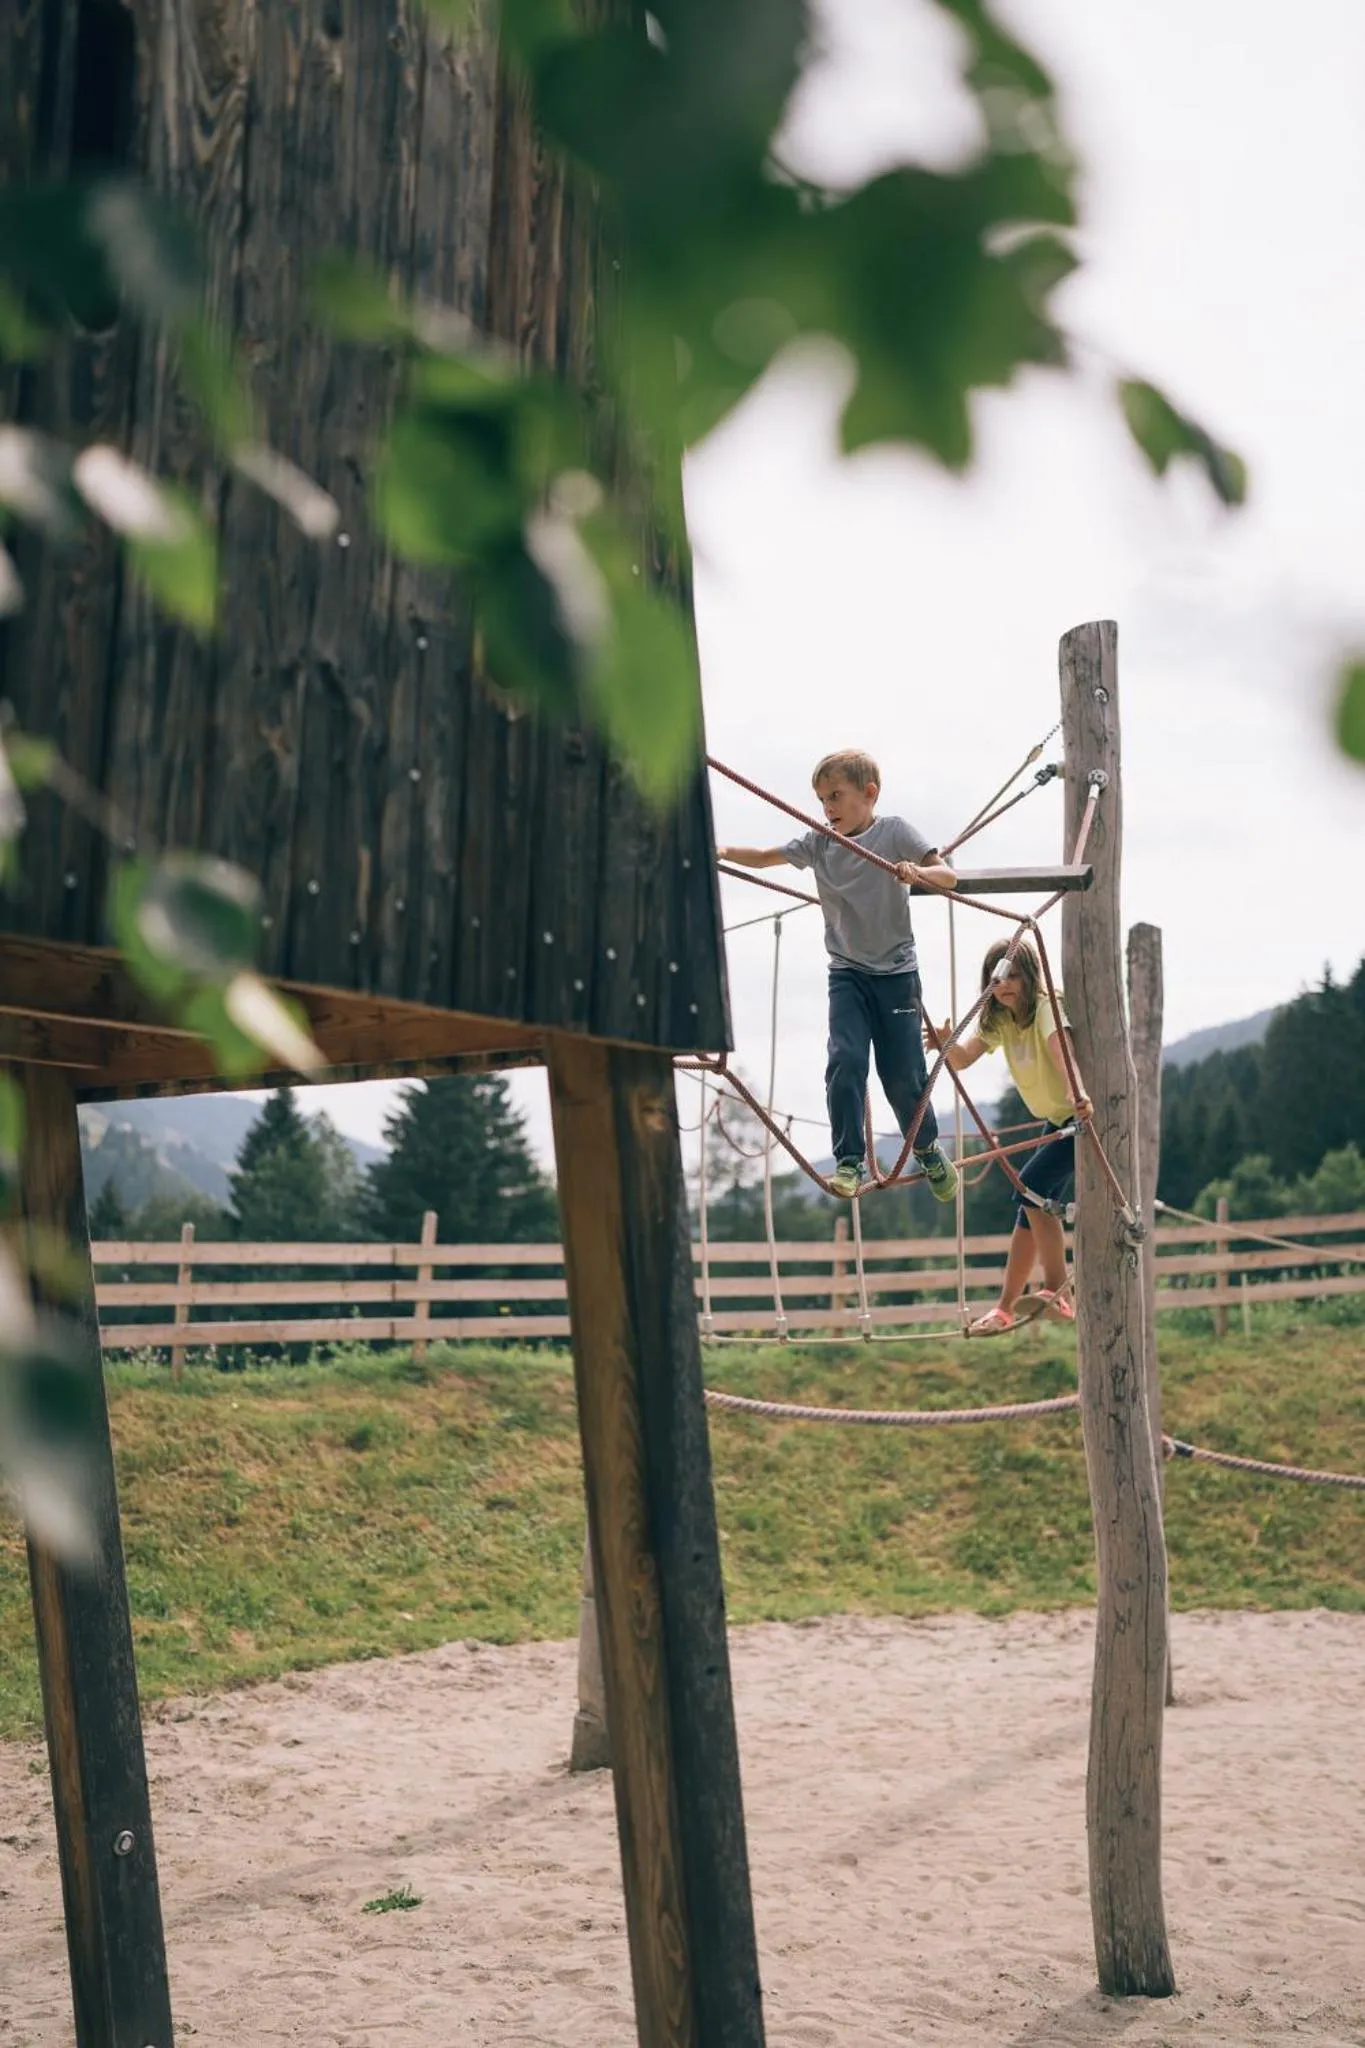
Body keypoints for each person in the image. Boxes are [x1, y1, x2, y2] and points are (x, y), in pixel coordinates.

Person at [716, 748, 960, 1202]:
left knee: (903, 1075)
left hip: (896, 973)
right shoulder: (820, 842)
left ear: (868, 795)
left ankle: (925, 1148)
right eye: (821, 799)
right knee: (845, 1060)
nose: (827, 808)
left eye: (835, 796)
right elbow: (767, 855)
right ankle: (849, 1159)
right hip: (847, 972)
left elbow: (949, 876)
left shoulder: (894, 832)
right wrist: (725, 851)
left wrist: (918, 871)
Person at [925, 935, 1093, 1334]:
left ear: (1030, 977)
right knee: (1028, 1209)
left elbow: (1061, 1050)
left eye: (1014, 977)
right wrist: (944, 1043)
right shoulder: (1001, 1019)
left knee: (1030, 1188)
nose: (1004, 986)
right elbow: (963, 1059)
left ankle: (1058, 1290)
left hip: (1079, 1118)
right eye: (996, 978)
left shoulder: (1047, 1006)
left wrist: (1077, 1089)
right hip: (1057, 1120)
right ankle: (1004, 1308)